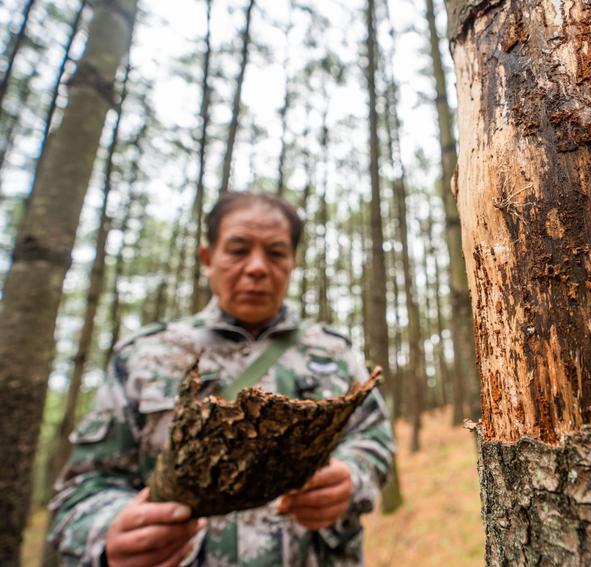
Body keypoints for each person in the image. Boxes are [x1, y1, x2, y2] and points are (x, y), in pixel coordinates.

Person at [48, 191, 395, 566]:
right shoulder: (146, 356)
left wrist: (350, 477)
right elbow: (81, 488)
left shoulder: (333, 352)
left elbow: (374, 439)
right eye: (238, 250)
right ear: (207, 258)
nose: (257, 268)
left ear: (292, 261)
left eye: (276, 253)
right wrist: (110, 531)